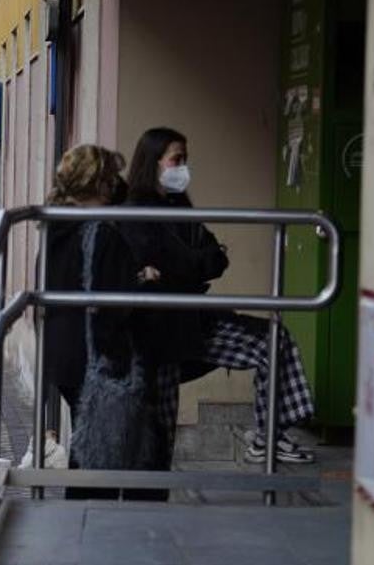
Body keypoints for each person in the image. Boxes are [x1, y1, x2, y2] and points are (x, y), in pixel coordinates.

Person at [123, 127, 316, 464]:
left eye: (186, 159)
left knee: (273, 341)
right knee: (156, 426)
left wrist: (189, 263)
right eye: (177, 159)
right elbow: (173, 260)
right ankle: (147, 494)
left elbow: (213, 257)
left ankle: (270, 436)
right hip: (160, 332)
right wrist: (191, 262)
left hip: (194, 322)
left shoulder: (179, 205)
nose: (184, 167)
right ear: (153, 162)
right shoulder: (137, 210)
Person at [44, 145, 162, 500]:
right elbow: (113, 297)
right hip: (94, 354)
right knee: (103, 450)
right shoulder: (100, 232)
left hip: (60, 348)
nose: (117, 185)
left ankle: (85, 513)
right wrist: (141, 279)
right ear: (101, 183)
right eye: (111, 178)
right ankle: (94, 518)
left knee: (87, 439)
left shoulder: (56, 224)